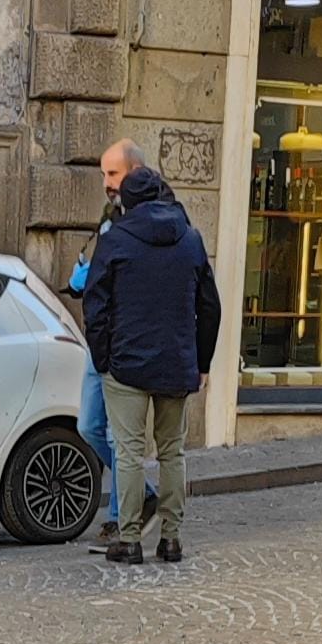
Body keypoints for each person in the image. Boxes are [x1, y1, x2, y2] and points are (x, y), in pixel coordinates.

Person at [83, 167, 221, 566]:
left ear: (127, 201)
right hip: (176, 361)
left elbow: (95, 303)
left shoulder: (115, 239)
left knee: (128, 452)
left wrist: (102, 357)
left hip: (125, 363)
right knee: (172, 452)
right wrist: (202, 360)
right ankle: (171, 538)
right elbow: (210, 306)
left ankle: (129, 540)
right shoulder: (190, 239)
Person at [63, 139, 159, 545]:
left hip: (125, 339)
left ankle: (122, 516)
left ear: (135, 173)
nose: (106, 182)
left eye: (113, 173)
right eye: (103, 173)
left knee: (122, 437)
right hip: (97, 337)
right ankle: (144, 493)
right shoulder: (108, 218)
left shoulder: (153, 218)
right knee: (88, 426)